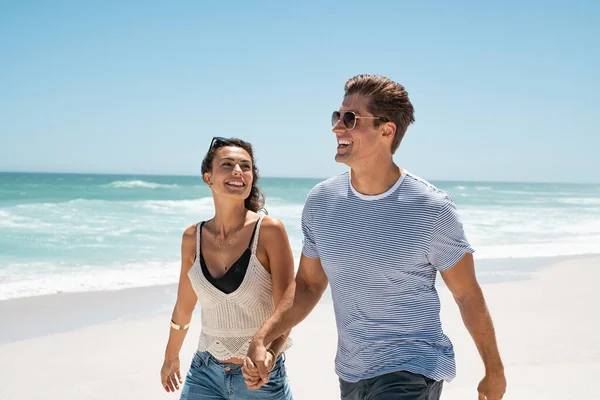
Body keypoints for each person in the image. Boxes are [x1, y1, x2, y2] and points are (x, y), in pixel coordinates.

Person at [243, 75, 506, 400]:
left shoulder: (432, 209)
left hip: (412, 369)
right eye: (337, 117)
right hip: (352, 372)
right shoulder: (321, 201)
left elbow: (467, 295)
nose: (338, 127)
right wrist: (263, 338)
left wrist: (494, 371)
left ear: (387, 130)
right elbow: (309, 285)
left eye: (350, 119)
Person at [160, 137, 295, 399]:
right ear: (208, 178)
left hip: (259, 377)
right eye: (228, 164)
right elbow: (183, 308)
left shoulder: (269, 231)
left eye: (245, 166)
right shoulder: (193, 238)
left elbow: (287, 308)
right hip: (204, 372)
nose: (238, 171)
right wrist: (170, 356)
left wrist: (270, 353)